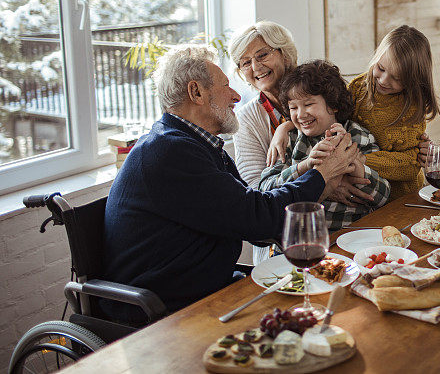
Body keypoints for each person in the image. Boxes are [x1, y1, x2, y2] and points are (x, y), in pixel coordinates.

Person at [102, 45, 359, 323]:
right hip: (170, 310)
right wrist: (321, 177)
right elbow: (257, 218)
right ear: (196, 92)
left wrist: (321, 182)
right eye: (226, 86)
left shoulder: (196, 145)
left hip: (212, 287)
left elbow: (254, 217)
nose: (237, 95)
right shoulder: (169, 151)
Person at [269, 25, 439, 199]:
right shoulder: (360, 86)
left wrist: (358, 160)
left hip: (399, 195)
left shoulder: (412, 108)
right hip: (359, 183)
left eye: (397, 78)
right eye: (380, 68)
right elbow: (332, 109)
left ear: (413, 79)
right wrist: (285, 127)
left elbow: (410, 165)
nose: (383, 80)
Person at [260, 60, 391, 237]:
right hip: (302, 239)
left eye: (308, 104)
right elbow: (265, 191)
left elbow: (383, 197)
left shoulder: (357, 136)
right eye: (293, 107)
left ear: (333, 104)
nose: (300, 114)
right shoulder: (289, 140)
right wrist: (305, 166)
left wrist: (355, 166)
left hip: (350, 237)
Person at [228, 21, 298, 188]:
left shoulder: (319, 88)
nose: (255, 67)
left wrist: (286, 126)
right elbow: (254, 185)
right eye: (245, 63)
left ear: (285, 55)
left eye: (262, 55)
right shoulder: (245, 118)